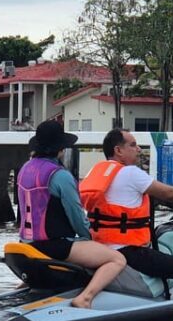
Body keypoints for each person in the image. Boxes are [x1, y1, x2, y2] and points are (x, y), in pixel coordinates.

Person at [79, 128, 173, 297]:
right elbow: (169, 193)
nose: (138, 149)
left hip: (100, 247)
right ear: (118, 150)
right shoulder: (130, 172)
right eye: (133, 145)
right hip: (128, 250)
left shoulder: (96, 172)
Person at [17, 120, 126, 309]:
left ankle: (21, 292)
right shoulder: (59, 175)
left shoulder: (24, 169)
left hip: (25, 243)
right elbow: (76, 214)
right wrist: (89, 238)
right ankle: (85, 298)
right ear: (61, 148)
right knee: (116, 259)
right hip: (53, 246)